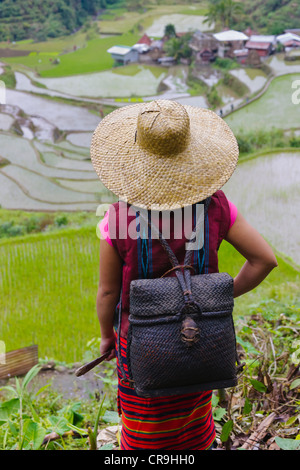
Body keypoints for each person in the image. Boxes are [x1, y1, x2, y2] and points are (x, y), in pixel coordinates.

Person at [90, 100, 277, 450]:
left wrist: (105, 337)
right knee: (194, 422)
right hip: (200, 336)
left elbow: (106, 294)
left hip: (142, 346)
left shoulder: (116, 220)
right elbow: (264, 260)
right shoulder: (218, 206)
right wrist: (215, 297)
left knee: (144, 428)